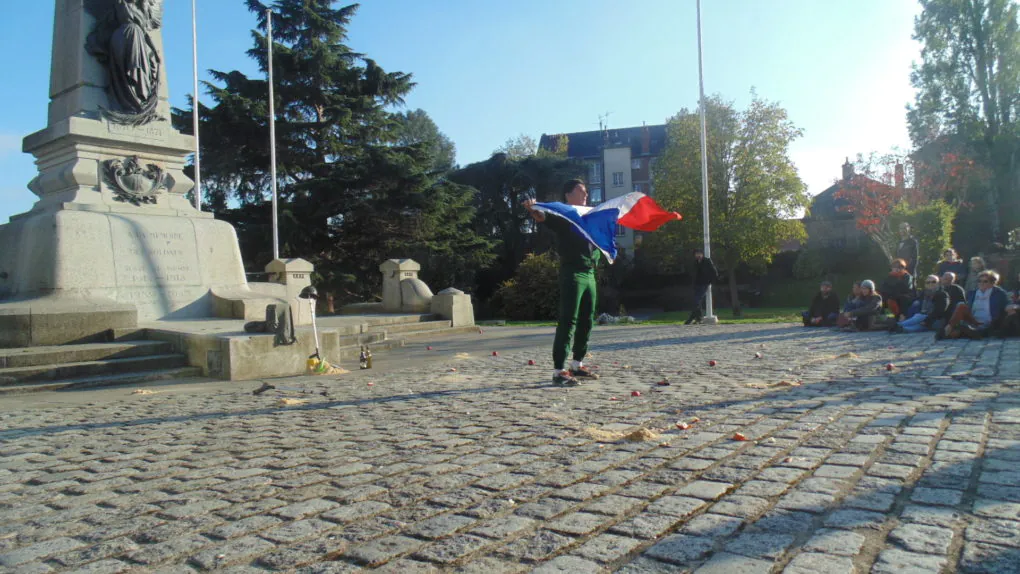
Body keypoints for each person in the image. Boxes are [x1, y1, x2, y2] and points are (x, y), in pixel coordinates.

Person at [523, 179, 602, 386]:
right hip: (573, 273)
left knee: (587, 320)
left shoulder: (588, 216)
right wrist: (534, 209)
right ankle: (559, 370)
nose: (585, 195)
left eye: (586, 191)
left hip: (589, 273)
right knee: (569, 320)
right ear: (567, 195)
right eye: (580, 191)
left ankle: (577, 364)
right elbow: (542, 217)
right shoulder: (565, 216)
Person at [938, 270, 1009, 340]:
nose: (981, 283)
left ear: (992, 283)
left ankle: (955, 332)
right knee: (961, 305)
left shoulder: (999, 294)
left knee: (958, 332)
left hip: (988, 323)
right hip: (973, 321)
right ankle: (950, 329)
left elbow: (1007, 305)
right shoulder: (972, 293)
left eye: (985, 281)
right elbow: (967, 309)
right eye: (979, 281)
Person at [685, 248, 719, 325]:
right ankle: (698, 318)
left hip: (704, 284)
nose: (698, 255)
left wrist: (710, 281)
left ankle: (693, 317)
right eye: (697, 254)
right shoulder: (695, 262)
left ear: (702, 254)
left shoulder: (707, 261)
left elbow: (714, 272)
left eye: (699, 254)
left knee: (697, 300)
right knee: (696, 301)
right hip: (697, 284)